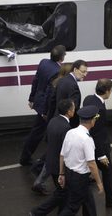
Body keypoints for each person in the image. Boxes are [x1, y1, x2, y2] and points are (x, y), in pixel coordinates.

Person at [19, 45, 66, 166]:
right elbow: (49, 93)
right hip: (45, 107)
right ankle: (27, 158)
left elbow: (36, 80)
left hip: (38, 102)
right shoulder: (57, 71)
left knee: (38, 131)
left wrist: (32, 98)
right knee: (38, 133)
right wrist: (45, 112)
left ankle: (27, 157)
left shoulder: (43, 62)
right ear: (62, 58)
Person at [83, 79, 112, 208]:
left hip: (88, 144)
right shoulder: (100, 109)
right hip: (99, 147)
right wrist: (102, 155)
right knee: (108, 173)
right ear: (107, 91)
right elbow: (97, 132)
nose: (111, 93)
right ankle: (111, 200)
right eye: (111, 90)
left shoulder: (88, 99)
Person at [30, 62, 73, 194]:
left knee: (52, 151)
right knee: (56, 153)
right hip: (58, 120)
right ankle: (41, 176)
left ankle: (39, 178)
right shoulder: (63, 85)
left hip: (53, 121)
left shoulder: (56, 83)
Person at [30, 99, 75, 215]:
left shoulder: (53, 121)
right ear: (69, 112)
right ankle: (37, 212)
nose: (74, 110)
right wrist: (63, 172)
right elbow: (66, 151)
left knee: (63, 193)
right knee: (62, 193)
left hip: (50, 163)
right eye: (73, 108)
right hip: (58, 167)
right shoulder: (66, 128)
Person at [58, 105, 104, 216]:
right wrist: (99, 182)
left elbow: (62, 155)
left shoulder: (70, 132)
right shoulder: (87, 139)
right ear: (92, 121)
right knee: (72, 208)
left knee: (89, 203)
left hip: (70, 174)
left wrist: (62, 173)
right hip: (80, 178)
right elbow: (91, 163)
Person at [51, 59, 88, 128]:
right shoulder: (73, 85)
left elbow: (52, 100)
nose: (85, 74)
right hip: (69, 123)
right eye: (83, 72)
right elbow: (74, 107)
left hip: (57, 119)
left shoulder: (62, 80)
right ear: (75, 70)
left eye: (86, 72)